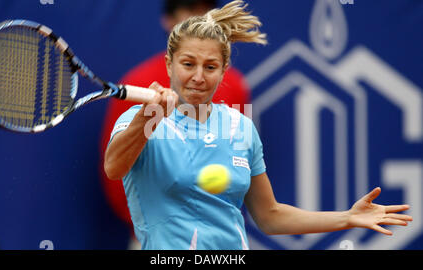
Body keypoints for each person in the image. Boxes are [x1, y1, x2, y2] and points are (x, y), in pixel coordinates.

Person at [104, 0, 413, 250]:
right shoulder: (140, 119)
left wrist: (347, 218)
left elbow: (270, 216)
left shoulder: (240, 127)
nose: (199, 76)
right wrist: (146, 116)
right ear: (169, 64)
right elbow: (114, 168)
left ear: (224, 71)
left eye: (210, 66)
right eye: (188, 64)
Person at [99, 0, 251, 249]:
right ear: (168, 21)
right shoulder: (139, 81)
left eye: (204, 10)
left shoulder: (235, 87)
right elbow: (117, 174)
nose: (198, 19)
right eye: (189, 11)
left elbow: (239, 164)